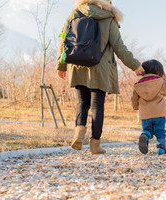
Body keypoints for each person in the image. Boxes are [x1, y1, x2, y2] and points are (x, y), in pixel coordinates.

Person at [56, 0, 144, 154]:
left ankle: (79, 132)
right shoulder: (109, 17)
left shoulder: (75, 13)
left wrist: (61, 65)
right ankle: (94, 145)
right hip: (100, 68)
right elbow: (119, 46)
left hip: (78, 65)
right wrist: (135, 65)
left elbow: (64, 38)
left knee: (82, 102)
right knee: (97, 106)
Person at [131, 59, 166, 155]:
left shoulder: (138, 85)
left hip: (145, 114)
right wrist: (165, 80)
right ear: (158, 72)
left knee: (147, 130)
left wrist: (136, 107)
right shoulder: (161, 82)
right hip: (159, 113)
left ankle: (145, 136)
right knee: (160, 131)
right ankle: (161, 148)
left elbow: (134, 99)